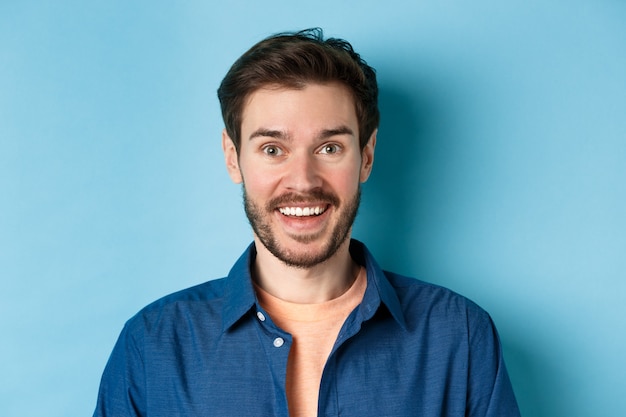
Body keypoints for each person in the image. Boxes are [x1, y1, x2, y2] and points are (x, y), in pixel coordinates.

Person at [93, 28, 521, 417]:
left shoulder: (459, 338)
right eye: (273, 149)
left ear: (366, 157)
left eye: (330, 148)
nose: (302, 180)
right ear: (232, 156)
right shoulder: (153, 346)